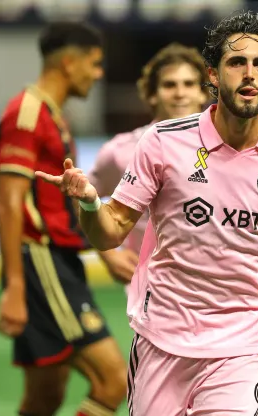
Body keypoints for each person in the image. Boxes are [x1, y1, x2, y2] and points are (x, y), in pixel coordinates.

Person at [36, 10, 258, 416]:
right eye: (236, 63)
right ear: (214, 75)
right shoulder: (161, 142)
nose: (249, 73)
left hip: (243, 345)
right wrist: (89, 202)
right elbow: (110, 232)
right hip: (162, 338)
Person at [0, 22, 127, 416]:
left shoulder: (52, 115)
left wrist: (103, 253)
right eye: (96, 64)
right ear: (70, 63)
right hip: (42, 262)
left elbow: (61, 202)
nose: (99, 74)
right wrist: (15, 286)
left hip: (54, 260)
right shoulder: (27, 113)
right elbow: (8, 204)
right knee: (112, 379)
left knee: (45, 396)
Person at [88, 42, 209, 287]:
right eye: (169, 85)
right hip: (153, 289)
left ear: (203, 93)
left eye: (189, 84)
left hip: (215, 283)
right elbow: (79, 199)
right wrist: (109, 256)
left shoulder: (226, 147)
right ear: (152, 94)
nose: (180, 93)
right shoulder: (121, 151)